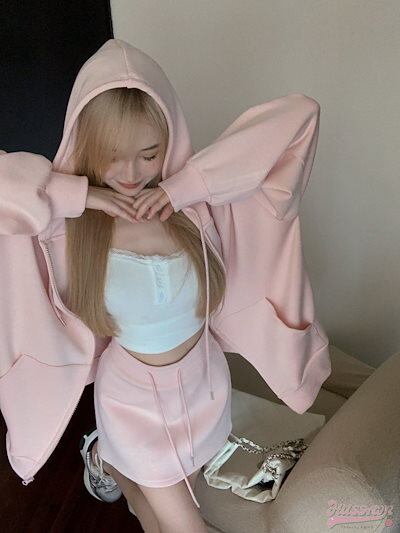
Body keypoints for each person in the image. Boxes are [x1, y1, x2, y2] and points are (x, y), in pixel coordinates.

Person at [0, 38, 331, 533]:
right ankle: (114, 449)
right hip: (132, 403)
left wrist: (183, 187)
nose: (131, 174)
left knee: (151, 515)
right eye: (111, 156)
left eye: (149, 154)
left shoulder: (199, 209)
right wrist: (82, 196)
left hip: (205, 389)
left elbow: (300, 117)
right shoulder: (66, 227)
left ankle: (108, 459)